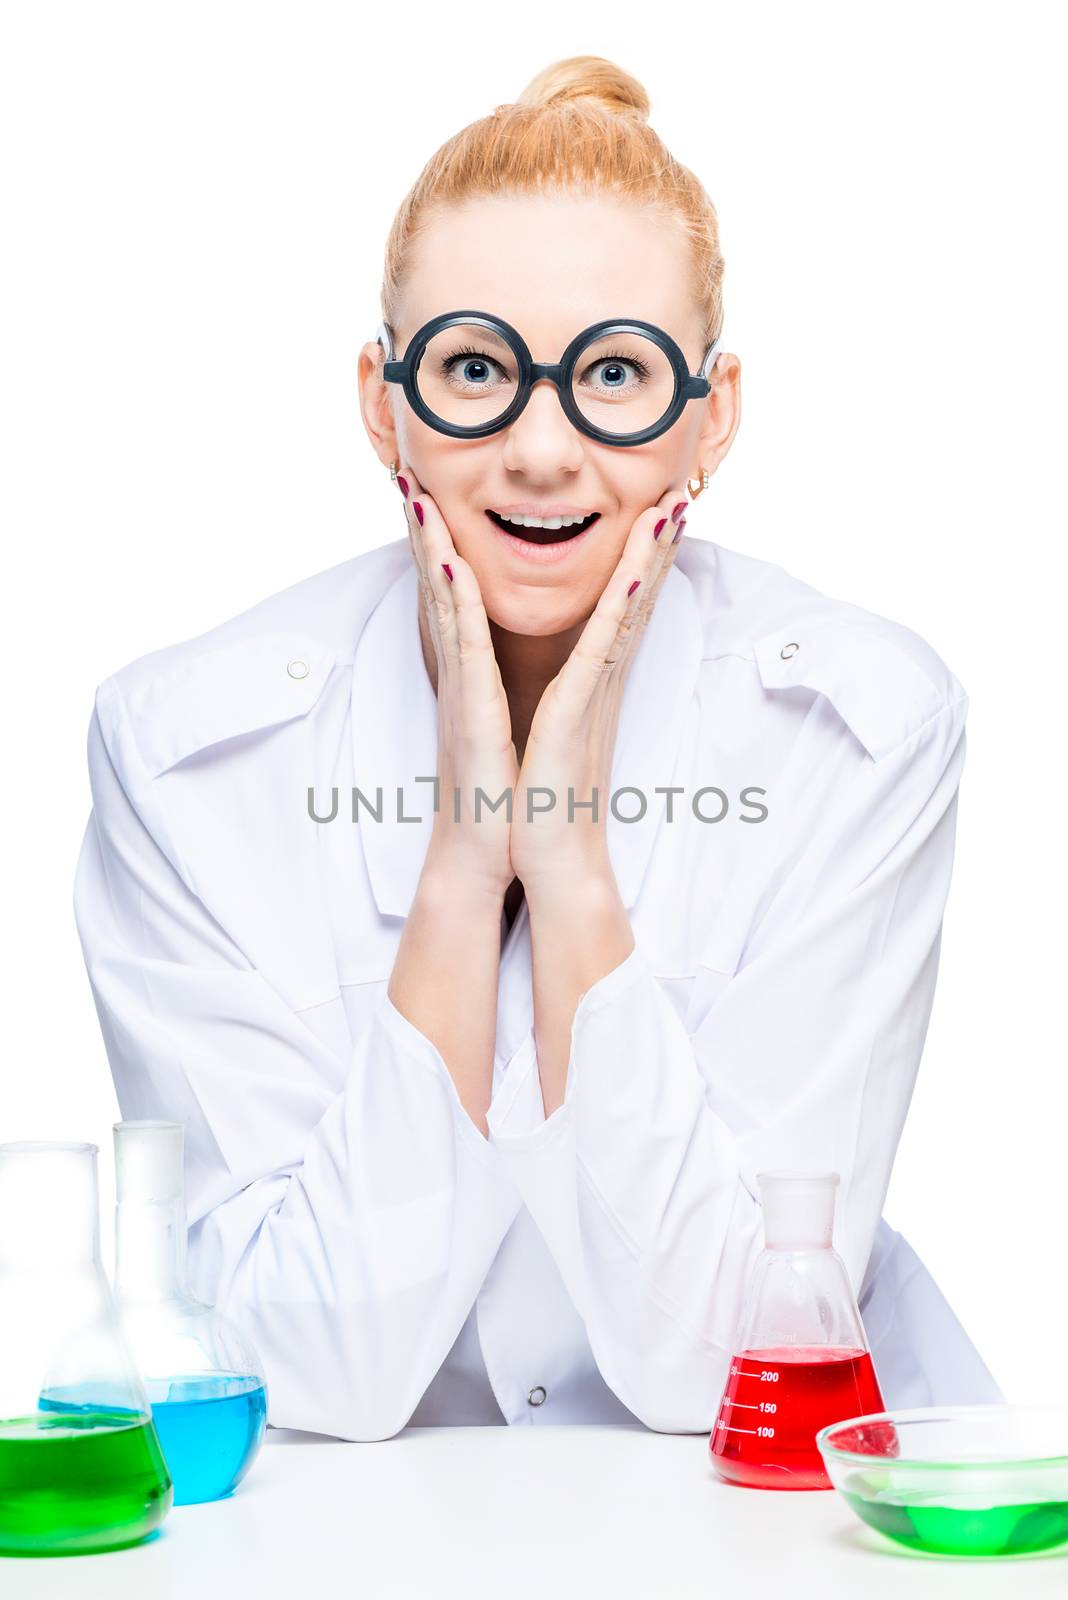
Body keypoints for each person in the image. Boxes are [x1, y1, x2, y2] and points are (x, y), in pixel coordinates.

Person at [73, 55, 1003, 1442]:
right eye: (474, 371)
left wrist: (565, 859)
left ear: (714, 413)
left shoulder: (859, 734)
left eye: (616, 372)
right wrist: (467, 855)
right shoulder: (183, 760)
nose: (543, 449)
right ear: (386, 405)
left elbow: (725, 1369)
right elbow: (304, 1374)